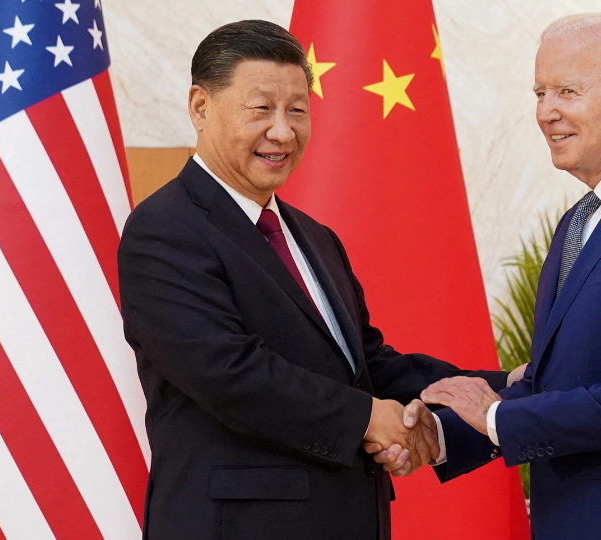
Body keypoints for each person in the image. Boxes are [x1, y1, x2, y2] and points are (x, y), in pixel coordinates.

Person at [117, 20, 516, 540]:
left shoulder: (314, 237)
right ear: (200, 106)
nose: (283, 131)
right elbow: (229, 372)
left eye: (297, 110)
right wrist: (368, 419)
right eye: (260, 109)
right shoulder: (164, 229)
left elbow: (367, 366)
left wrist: (500, 388)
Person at [377, 13, 601, 539]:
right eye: (540, 92)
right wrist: (442, 434)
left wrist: (494, 417)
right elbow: (558, 385)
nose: (546, 112)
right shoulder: (580, 220)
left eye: (566, 91)